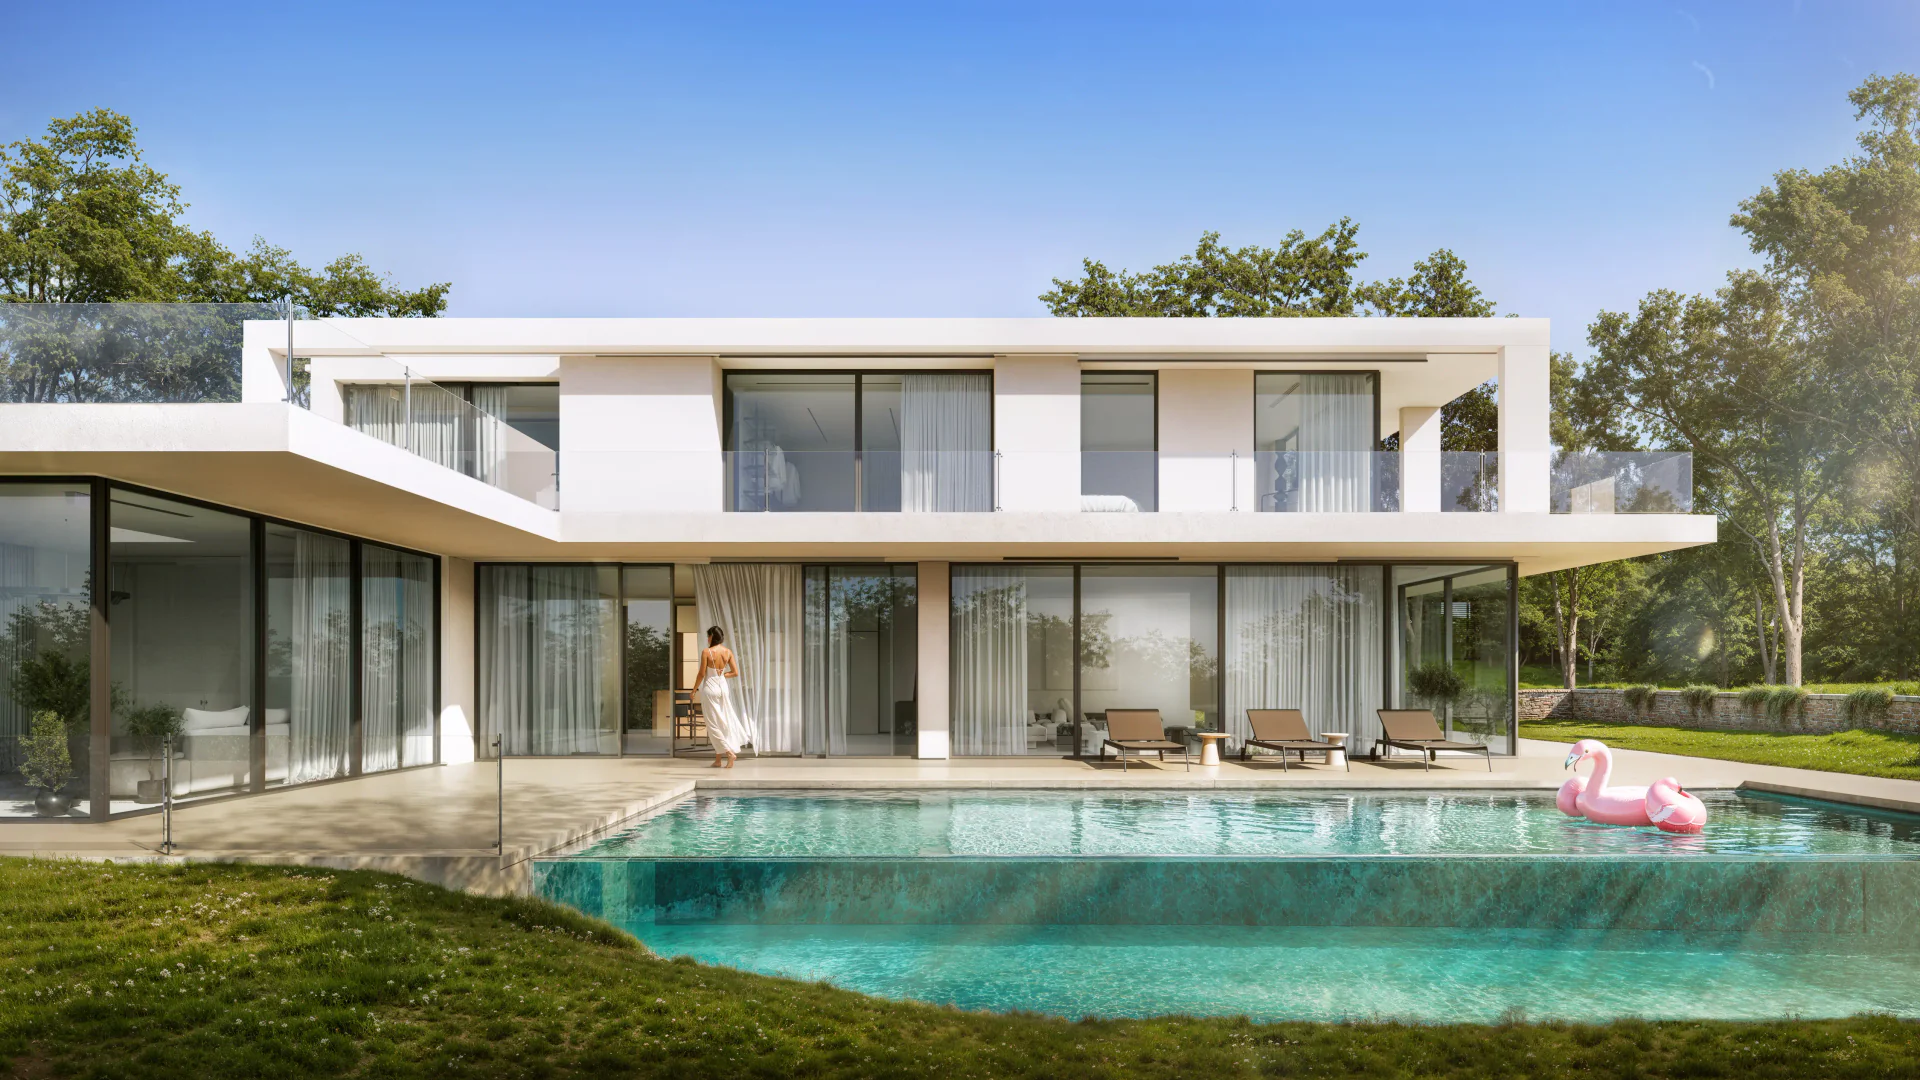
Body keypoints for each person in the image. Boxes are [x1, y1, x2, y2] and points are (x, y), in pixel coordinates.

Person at [696, 626, 744, 768]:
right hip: (723, 688)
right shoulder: (727, 652)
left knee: (713, 724)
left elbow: (701, 674)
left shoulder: (707, 652)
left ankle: (729, 753)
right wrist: (722, 675)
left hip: (710, 689)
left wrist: (693, 690)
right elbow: (735, 672)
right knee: (722, 722)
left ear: (712, 636)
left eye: (708, 636)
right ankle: (718, 760)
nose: (707, 638)